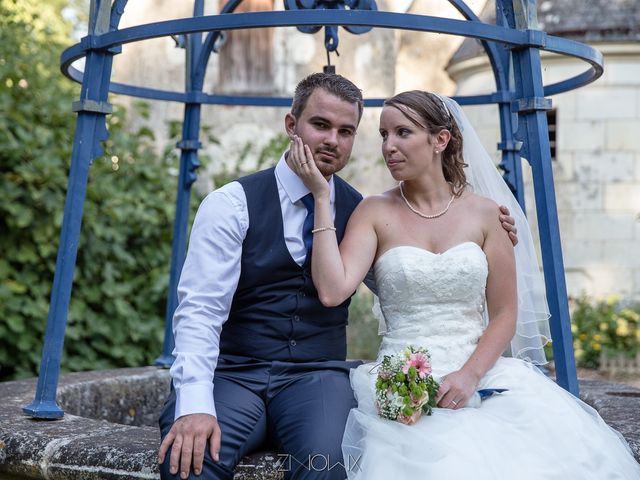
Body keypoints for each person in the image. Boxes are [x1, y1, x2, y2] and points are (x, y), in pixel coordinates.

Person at [157, 74, 518, 480]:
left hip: (317, 378)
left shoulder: (359, 210)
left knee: (330, 465)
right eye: (321, 125)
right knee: (189, 460)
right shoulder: (231, 204)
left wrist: (481, 243)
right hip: (235, 373)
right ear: (291, 125)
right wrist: (194, 404)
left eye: (346, 131)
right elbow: (199, 311)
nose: (333, 140)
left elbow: (410, 282)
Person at [289, 90, 640, 479]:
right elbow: (333, 290)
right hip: (402, 382)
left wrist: (470, 375)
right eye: (384, 135)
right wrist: (322, 196)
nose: (389, 146)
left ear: (441, 140)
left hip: (480, 373)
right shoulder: (373, 212)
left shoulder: (489, 215)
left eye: (403, 133)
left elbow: (505, 313)